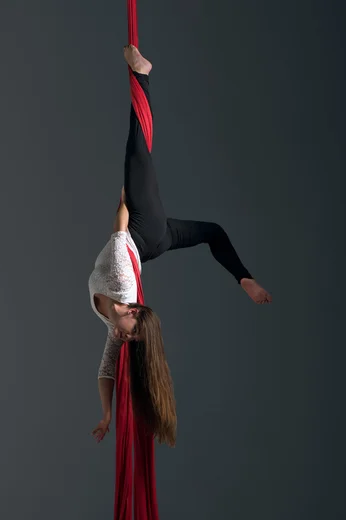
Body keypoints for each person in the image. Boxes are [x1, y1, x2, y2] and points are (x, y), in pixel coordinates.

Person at [89, 45, 272, 447]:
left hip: (148, 244)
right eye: (134, 333)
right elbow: (118, 228)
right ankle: (143, 74)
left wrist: (106, 414)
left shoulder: (111, 327)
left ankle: (243, 278)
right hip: (142, 231)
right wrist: (126, 197)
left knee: (212, 231)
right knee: (136, 155)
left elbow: (105, 372)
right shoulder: (121, 285)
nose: (126, 339)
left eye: (129, 338)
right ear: (130, 312)